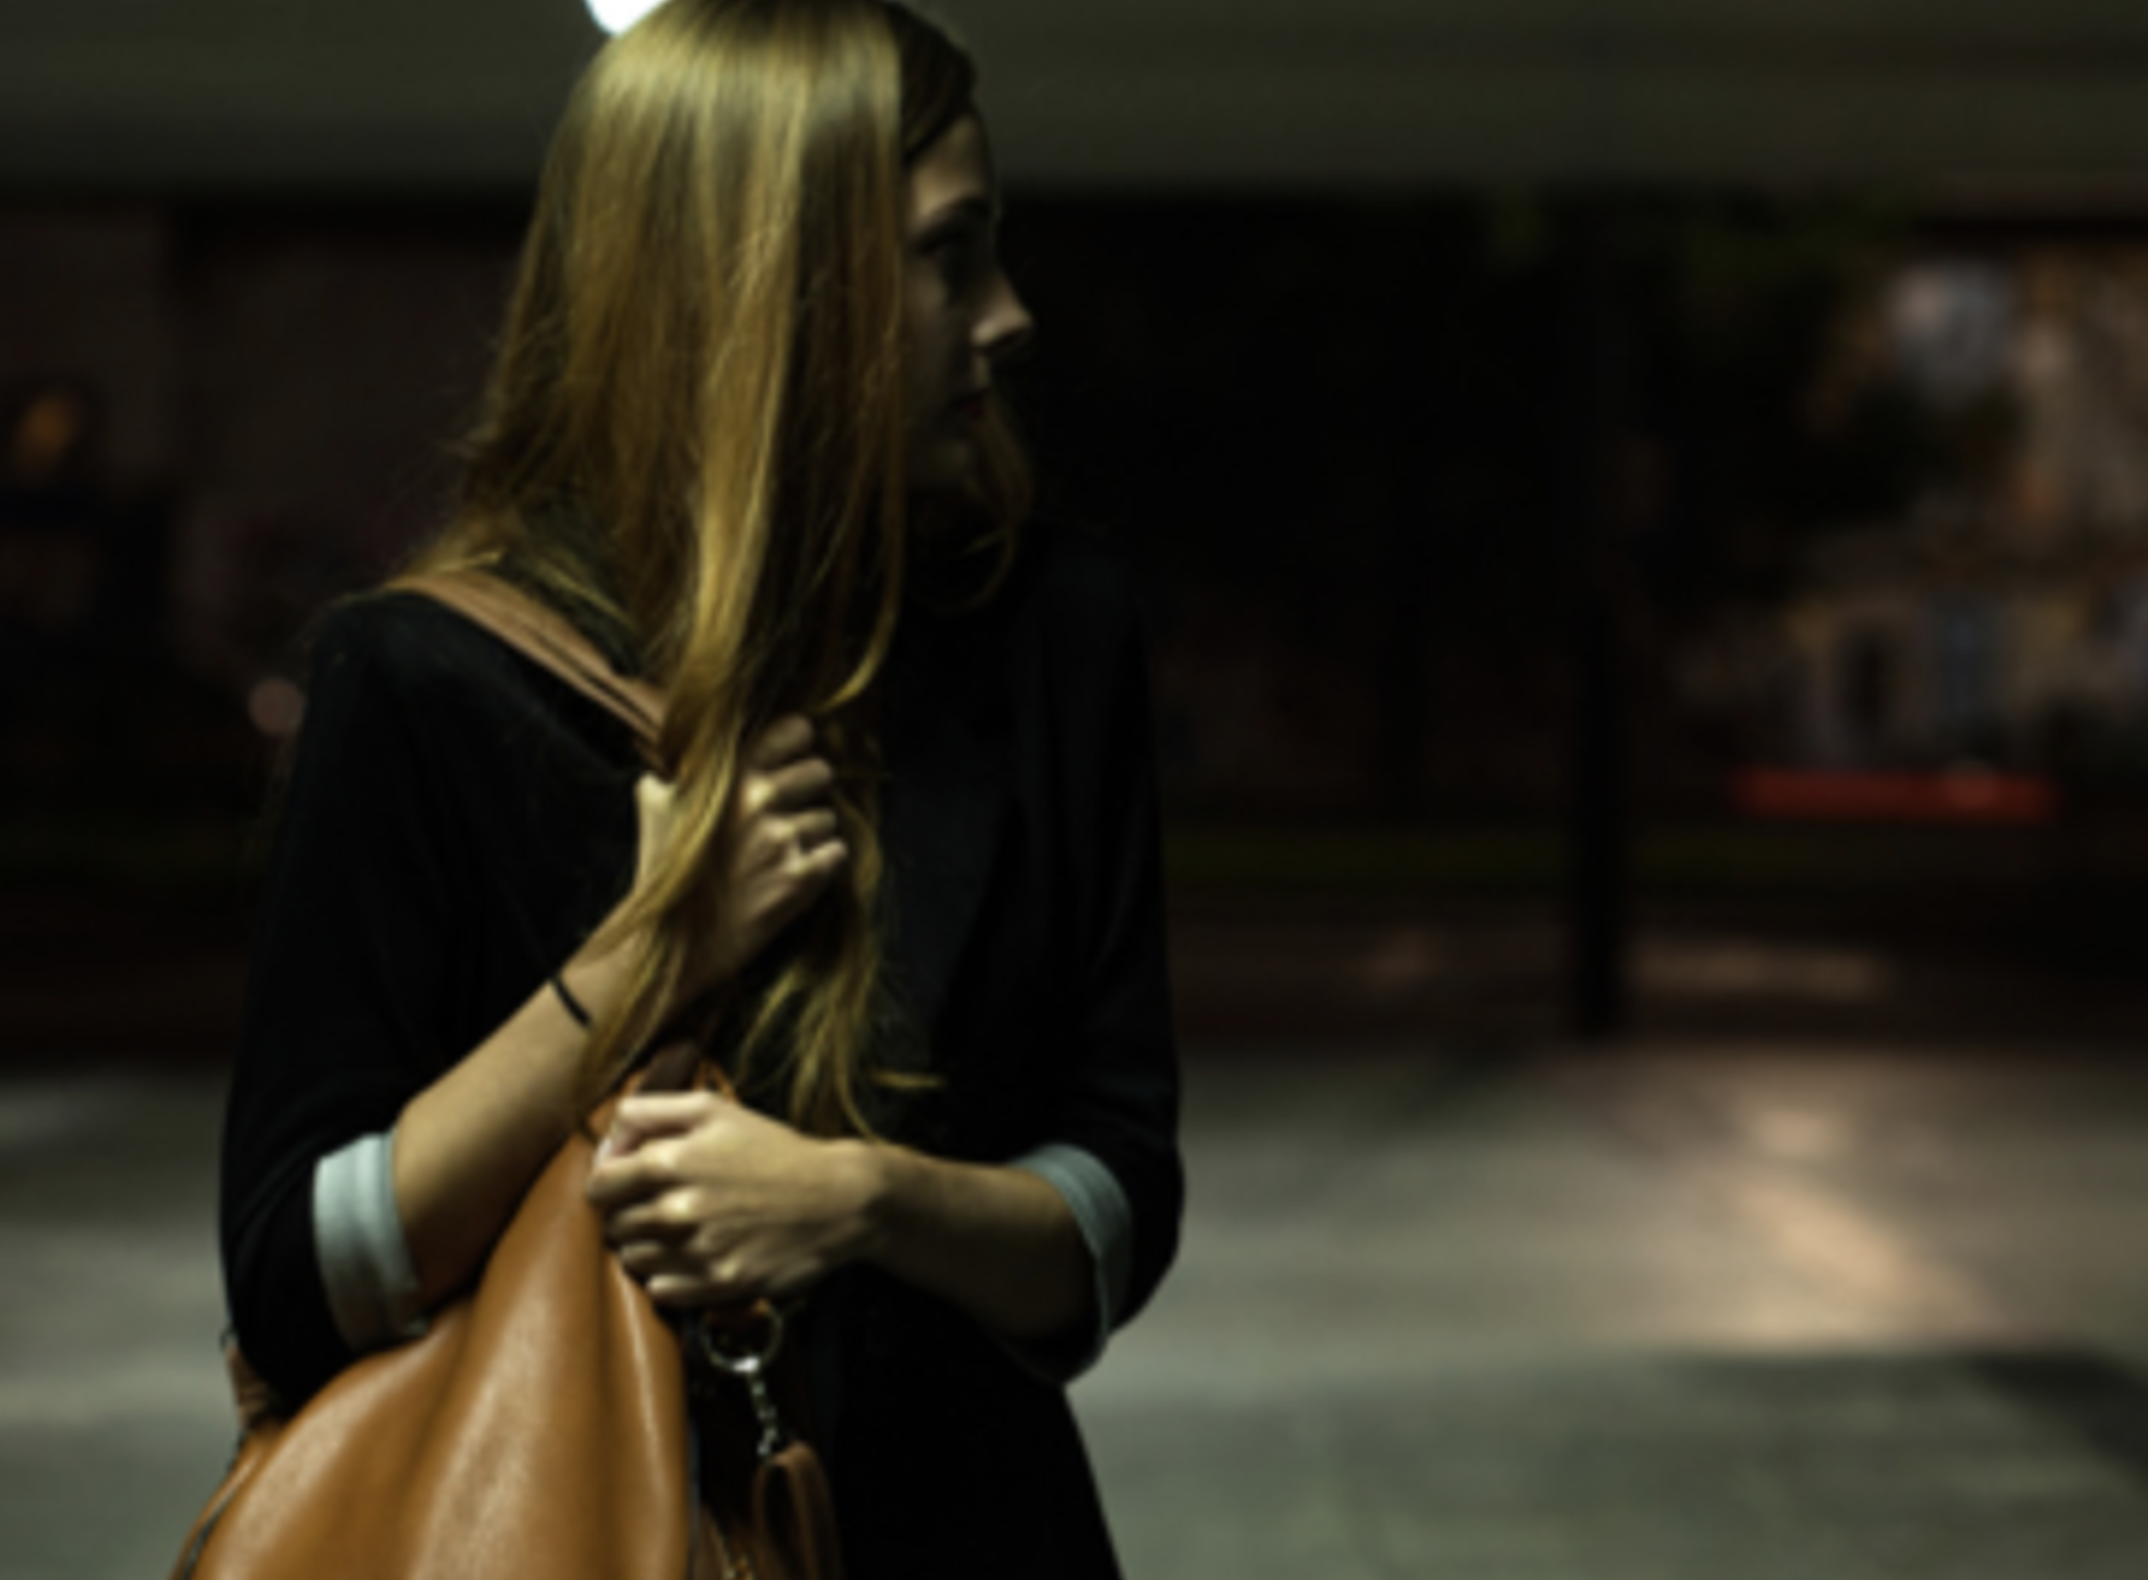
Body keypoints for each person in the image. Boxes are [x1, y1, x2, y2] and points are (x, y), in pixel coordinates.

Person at [215, 2, 1183, 1576]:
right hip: (560, 1528)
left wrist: (864, 1200)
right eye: (949, 257)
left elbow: (1120, 1202)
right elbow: (292, 1283)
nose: (1008, 316)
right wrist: (651, 954)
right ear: (777, 287)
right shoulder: (423, 682)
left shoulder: (1050, 635)